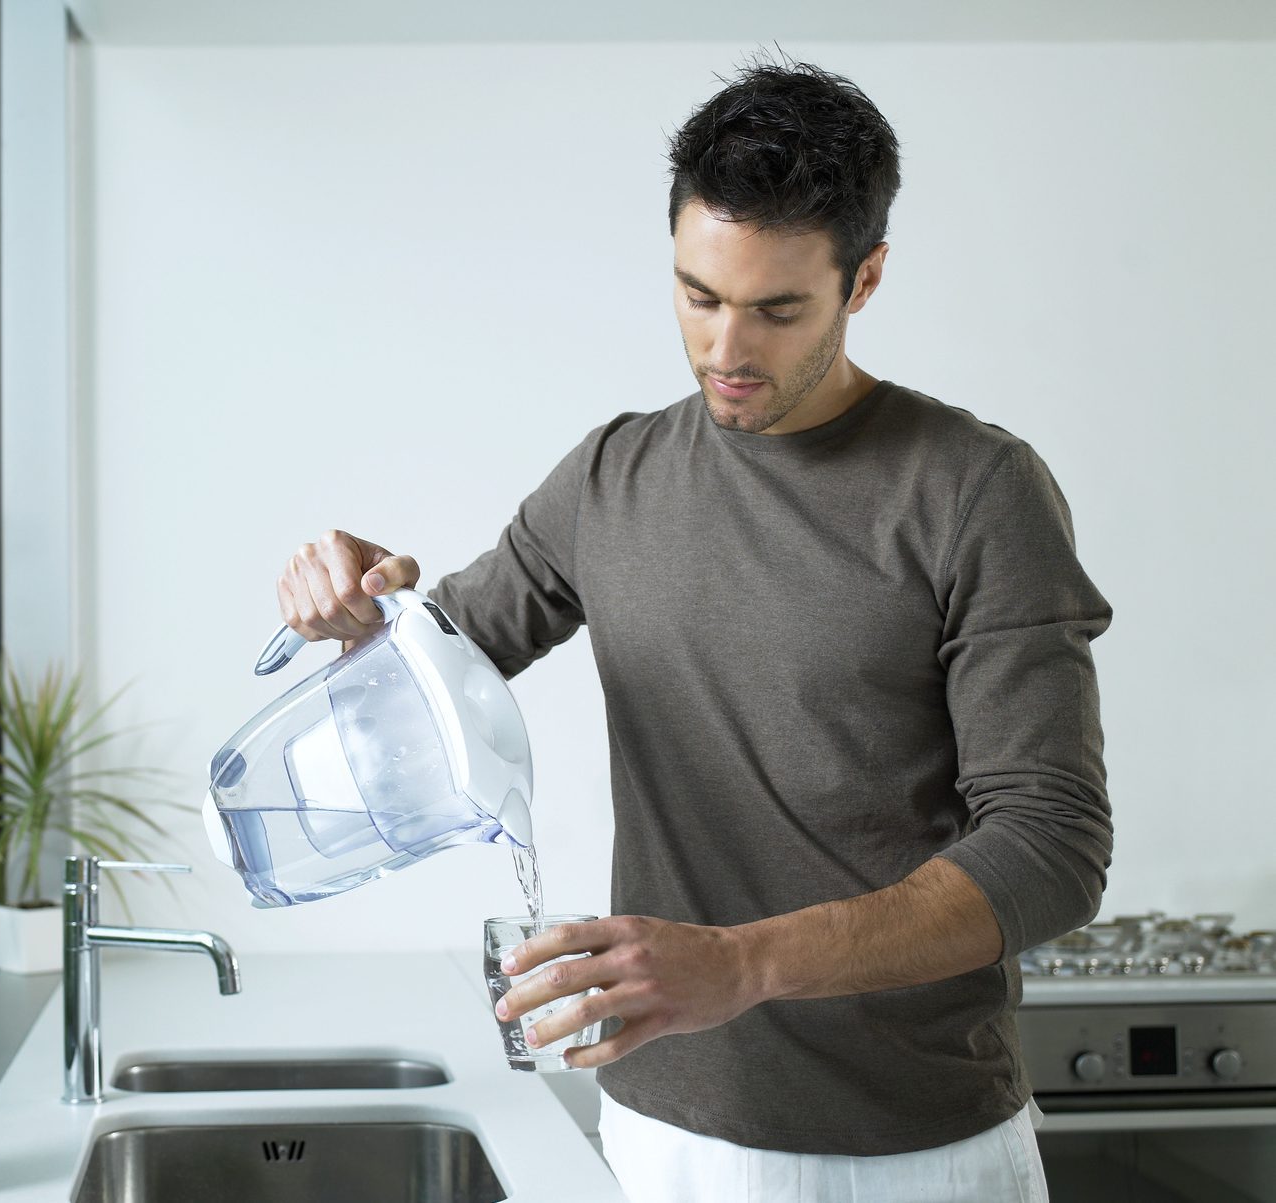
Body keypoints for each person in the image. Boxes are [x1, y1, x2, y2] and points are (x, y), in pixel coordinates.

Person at [273, 57, 1109, 1203]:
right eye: (698, 295)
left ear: (864, 281)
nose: (726, 351)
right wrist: (357, 607)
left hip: (918, 1153)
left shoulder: (975, 490)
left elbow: (1052, 848)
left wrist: (743, 964)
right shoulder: (615, 474)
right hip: (663, 1141)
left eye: (776, 310)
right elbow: (436, 668)